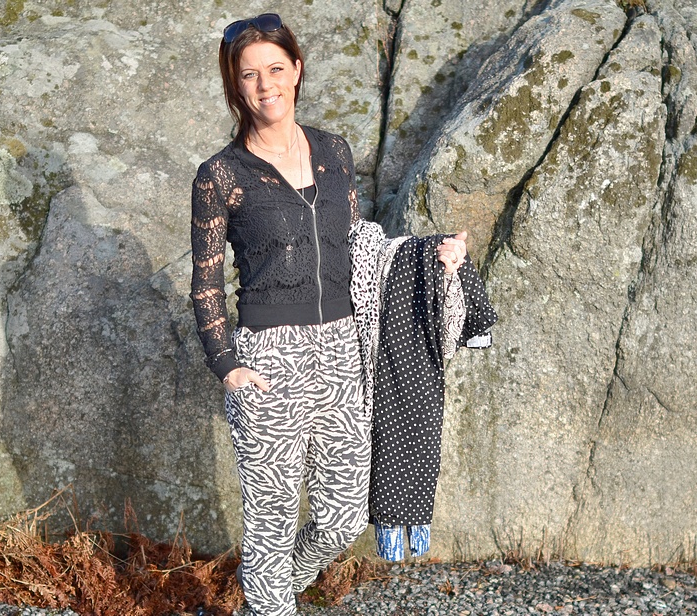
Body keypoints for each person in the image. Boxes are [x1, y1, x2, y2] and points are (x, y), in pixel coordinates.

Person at [190, 13, 469, 616]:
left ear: (296, 69)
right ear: (235, 85)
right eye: (249, 75)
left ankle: (269, 591)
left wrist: (430, 255)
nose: (265, 85)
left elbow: (359, 246)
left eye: (275, 69)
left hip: (342, 352)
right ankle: (269, 599)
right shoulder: (220, 176)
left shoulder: (334, 152)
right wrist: (228, 367)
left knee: (343, 515)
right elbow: (206, 282)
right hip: (268, 359)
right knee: (269, 523)